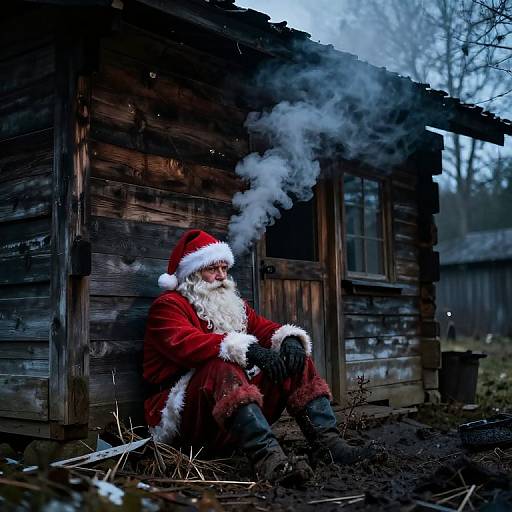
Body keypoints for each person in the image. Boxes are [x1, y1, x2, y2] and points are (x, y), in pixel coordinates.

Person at [143, 229, 377, 483]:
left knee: (295, 357)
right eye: (213, 269)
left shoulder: (236, 305)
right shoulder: (168, 306)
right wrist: (248, 349)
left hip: (228, 417)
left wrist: (288, 339)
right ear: (192, 274)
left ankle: (328, 445)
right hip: (189, 421)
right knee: (221, 366)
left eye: (224, 268)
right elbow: (186, 344)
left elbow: (264, 328)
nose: (221, 277)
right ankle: (268, 460)